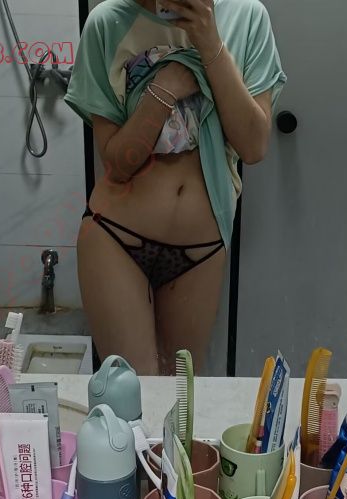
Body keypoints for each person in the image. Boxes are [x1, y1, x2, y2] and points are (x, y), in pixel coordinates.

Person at [66, 0, 285, 374]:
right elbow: (118, 165)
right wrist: (163, 89)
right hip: (116, 238)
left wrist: (209, 42)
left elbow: (253, 146)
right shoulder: (107, 22)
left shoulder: (247, 17)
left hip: (200, 251)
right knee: (131, 393)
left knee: (179, 396)